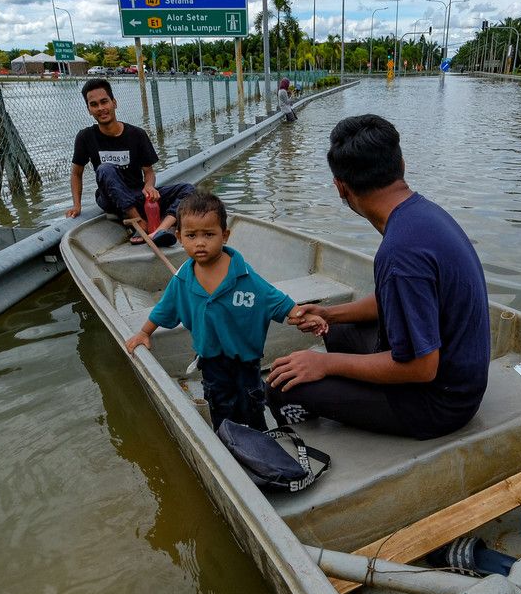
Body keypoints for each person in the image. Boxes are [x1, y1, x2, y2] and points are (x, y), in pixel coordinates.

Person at [266, 114, 491, 440]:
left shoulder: (399, 255)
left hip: (441, 403)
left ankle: (305, 438)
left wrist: (325, 366)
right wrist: (329, 313)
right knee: (336, 330)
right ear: (401, 164)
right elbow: (394, 300)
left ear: (340, 187)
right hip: (458, 377)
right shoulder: (422, 214)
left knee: (281, 386)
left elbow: (422, 367)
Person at [126, 191, 326, 432]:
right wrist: (144, 332)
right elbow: (164, 308)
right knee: (220, 404)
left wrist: (303, 316)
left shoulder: (244, 275)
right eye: (191, 235)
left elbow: (275, 300)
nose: (200, 243)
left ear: (225, 236)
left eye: (209, 234)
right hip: (211, 360)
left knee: (251, 401)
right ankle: (229, 440)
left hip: (246, 360)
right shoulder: (183, 279)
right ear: (179, 237)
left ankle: (260, 438)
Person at [66, 78, 195, 247]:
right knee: (105, 169)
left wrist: (149, 186)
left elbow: (148, 172)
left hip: (136, 194)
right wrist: (77, 205)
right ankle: (139, 221)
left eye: (104, 102)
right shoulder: (85, 137)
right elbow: (76, 173)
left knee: (188, 189)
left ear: (114, 103)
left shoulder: (137, 134)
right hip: (110, 199)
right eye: (94, 104)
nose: (101, 108)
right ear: (89, 109)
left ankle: (160, 229)